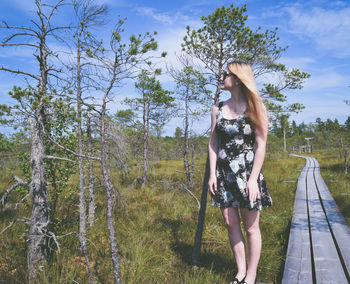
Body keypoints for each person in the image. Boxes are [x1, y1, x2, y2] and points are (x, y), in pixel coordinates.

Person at [208, 61, 273, 284]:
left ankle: (251, 275)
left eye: (224, 74)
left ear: (236, 78)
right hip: (224, 176)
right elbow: (213, 143)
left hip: (248, 175)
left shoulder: (256, 106)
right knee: (230, 223)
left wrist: (253, 179)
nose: (221, 77)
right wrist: (211, 175)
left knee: (251, 227)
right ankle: (240, 272)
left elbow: (261, 144)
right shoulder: (218, 108)